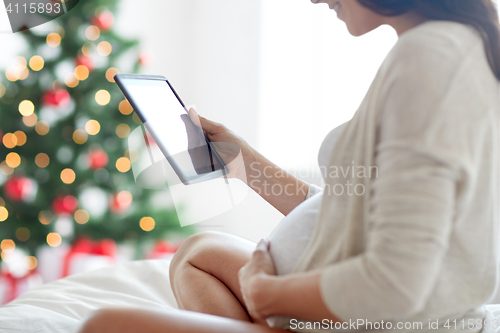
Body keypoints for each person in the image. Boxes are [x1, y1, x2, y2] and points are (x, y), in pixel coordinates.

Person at [79, 0, 500, 332]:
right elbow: (350, 212)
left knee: (104, 326)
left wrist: (268, 295)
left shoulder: (430, 60)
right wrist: (243, 162)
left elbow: (395, 284)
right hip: (377, 312)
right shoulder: (454, 47)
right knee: (198, 251)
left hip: (390, 321)